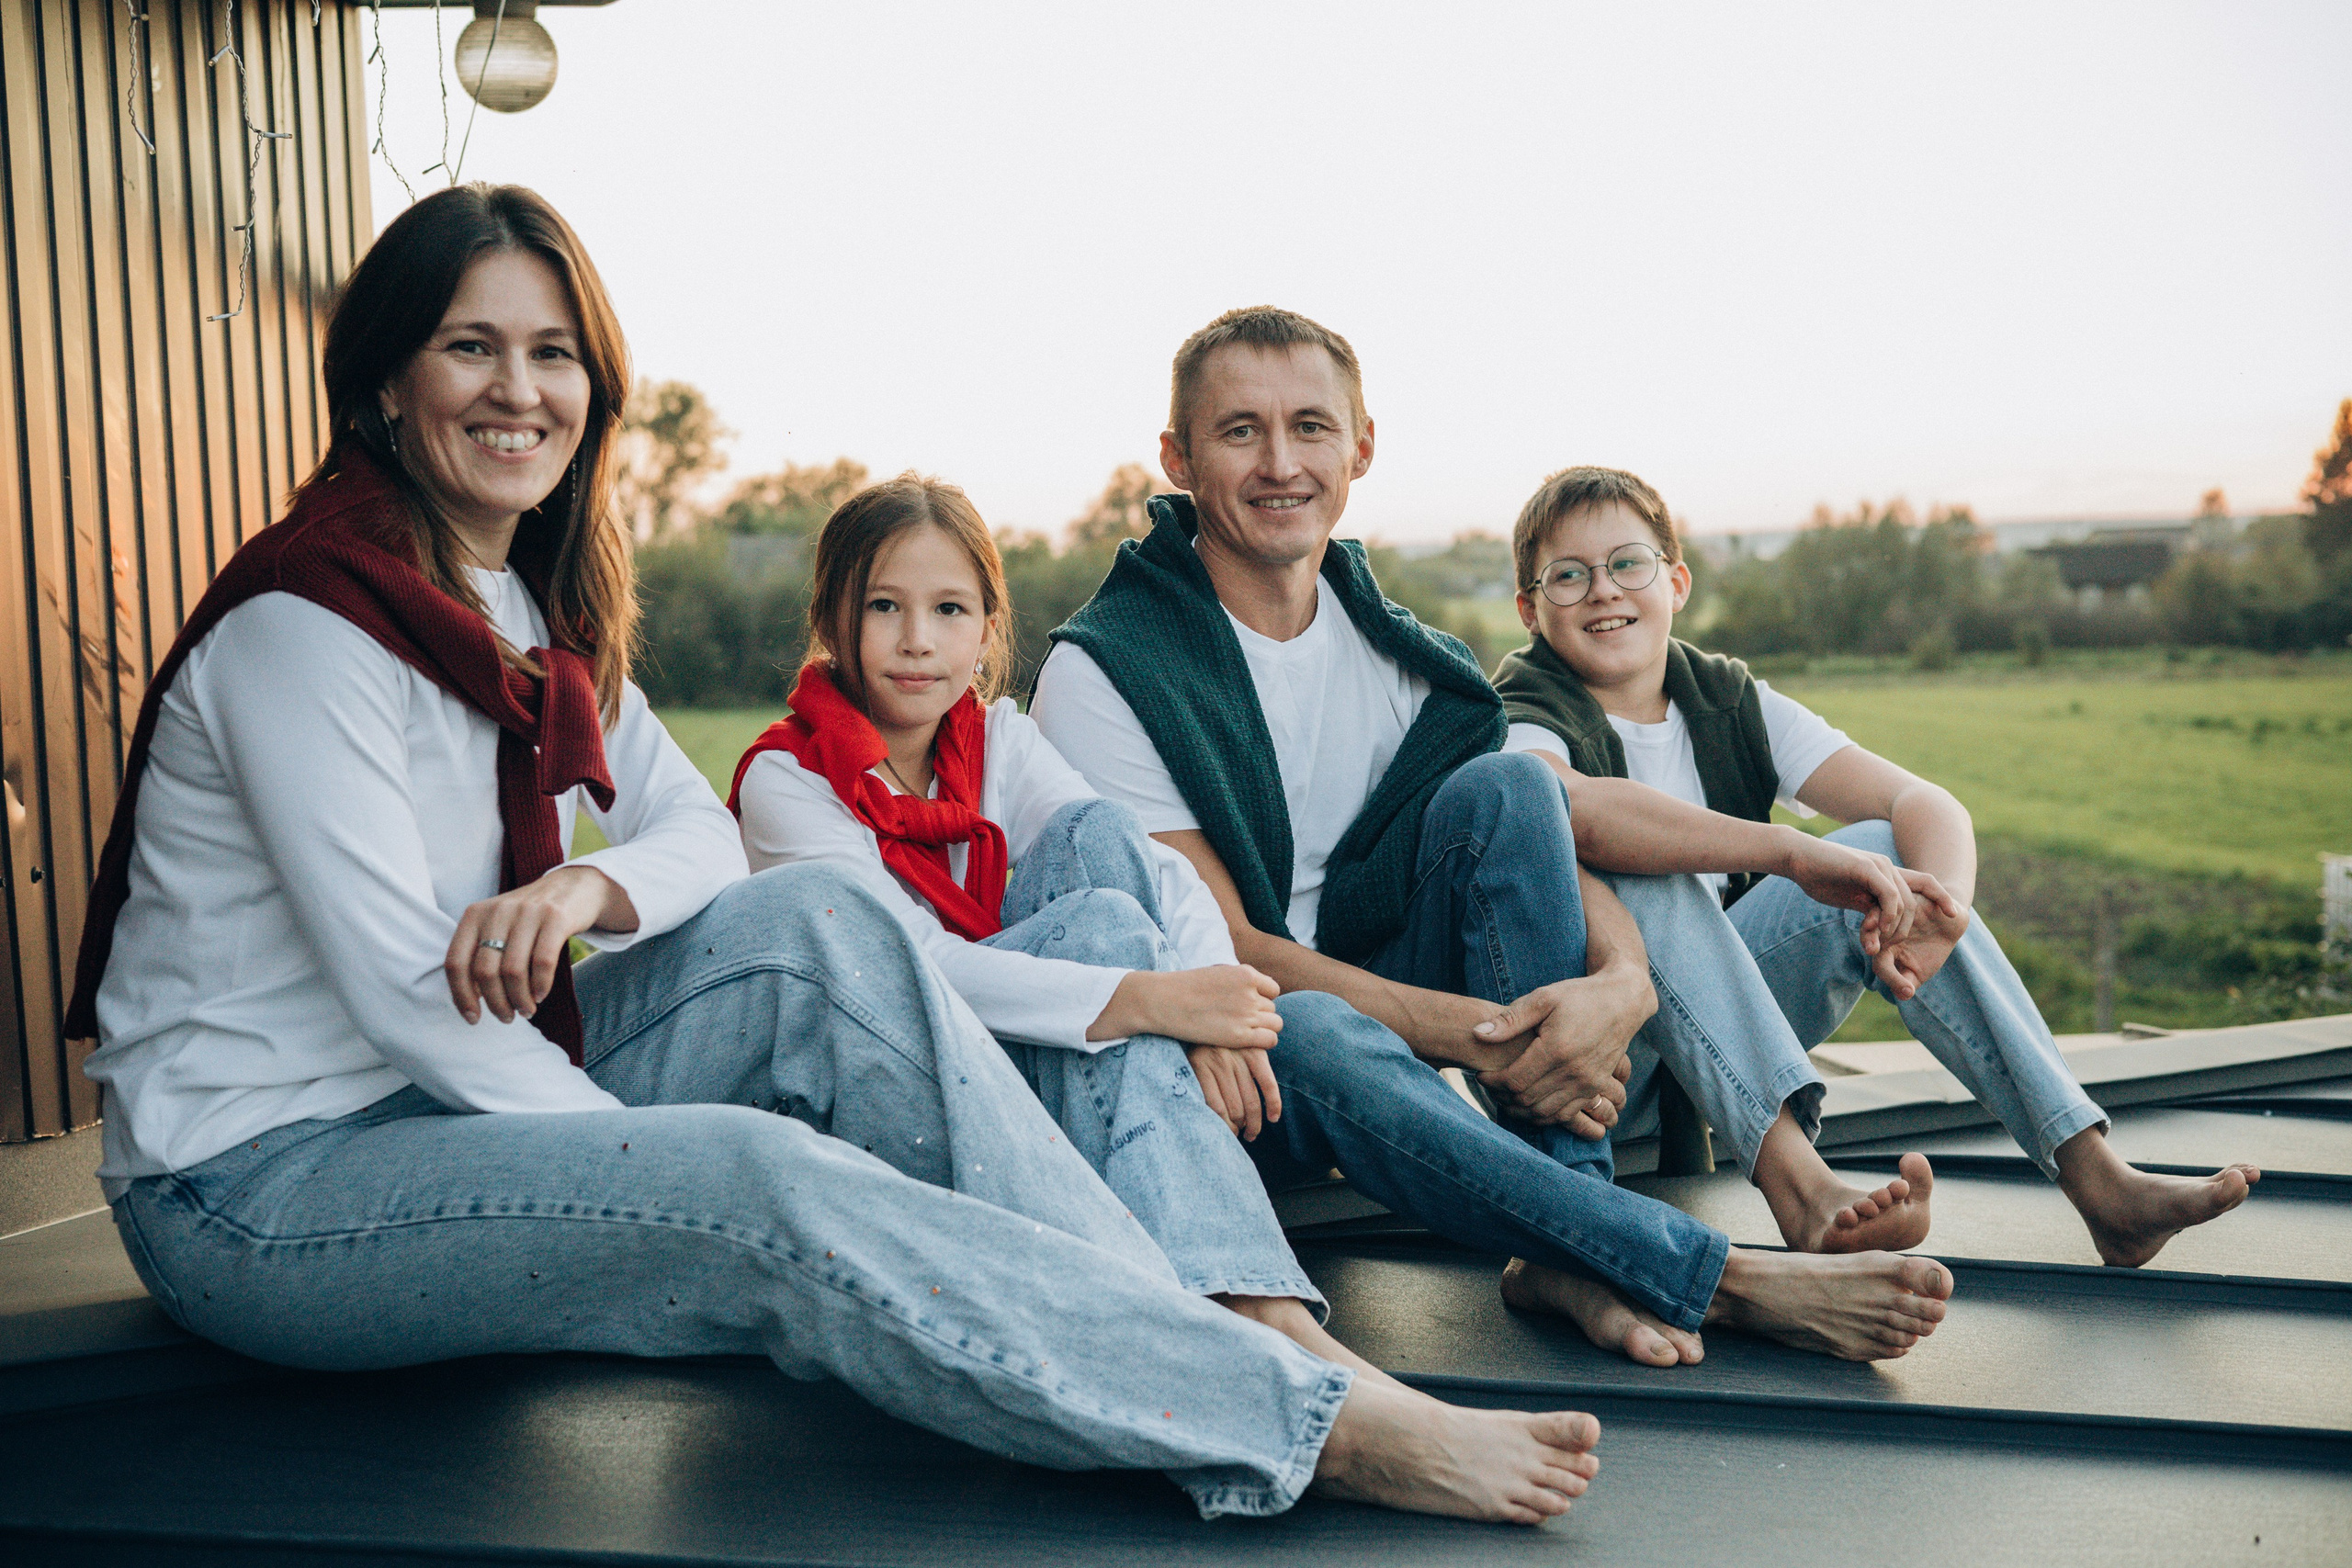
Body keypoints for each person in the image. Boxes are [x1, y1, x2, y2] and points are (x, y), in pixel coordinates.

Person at [70, 185, 1604, 1527]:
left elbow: (690, 831)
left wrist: (587, 883)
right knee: (753, 1178)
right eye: (473, 346)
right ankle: (1294, 1417)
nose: (518, 390)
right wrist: (632, 1145)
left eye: (553, 355)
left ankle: (1226, 1334)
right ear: (389, 381)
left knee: (819, 921)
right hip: (264, 1186)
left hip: (455, 1077)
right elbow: (413, 999)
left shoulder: (521, 611)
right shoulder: (307, 627)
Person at [1031, 304, 1955, 1369]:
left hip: (1399, 1007)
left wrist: (1618, 987)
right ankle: (1707, 1273)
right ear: (1178, 458)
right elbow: (1223, 950)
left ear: (1361, 447)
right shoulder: (1108, 667)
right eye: (1240, 431)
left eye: (1310, 428)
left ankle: (1567, 1236)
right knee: (1314, 1026)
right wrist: (1496, 1038)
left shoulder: (1400, 658)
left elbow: (1533, 838)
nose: (1279, 463)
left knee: (1512, 788)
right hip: (1229, 1059)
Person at [730, 470, 1417, 1388]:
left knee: (1097, 841)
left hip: (1022, 1059)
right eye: (883, 607)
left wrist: (1209, 1005)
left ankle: (1242, 1302)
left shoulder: (997, 745)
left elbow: (1160, 872)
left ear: (985, 629)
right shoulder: (789, 782)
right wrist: (1153, 1001)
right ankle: (1252, 1304)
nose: (916, 641)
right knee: (1097, 929)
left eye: (948, 609)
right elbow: (908, 970)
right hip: (887, 1095)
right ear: (831, 621)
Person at [1490, 464, 2262, 1267]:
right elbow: (1578, 810)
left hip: (1728, 1040)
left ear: (1676, 581)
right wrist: (1793, 850)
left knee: (1888, 858)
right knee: (1648, 864)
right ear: (1530, 610)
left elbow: (1925, 805)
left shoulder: (1724, 698)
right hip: (1603, 1071)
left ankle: (2099, 1179)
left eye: (1628, 564)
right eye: (1568, 576)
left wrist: (1941, 914)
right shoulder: (1518, 710)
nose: (1604, 592)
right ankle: (1803, 1188)